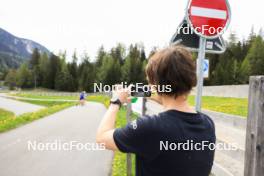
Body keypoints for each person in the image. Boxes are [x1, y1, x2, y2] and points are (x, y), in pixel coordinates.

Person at [96, 46, 216, 176]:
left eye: (149, 82)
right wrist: (160, 94)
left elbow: (102, 139)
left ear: (156, 83)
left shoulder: (150, 127)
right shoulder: (207, 124)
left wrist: (116, 102)